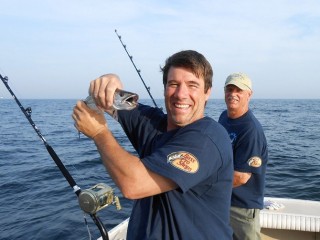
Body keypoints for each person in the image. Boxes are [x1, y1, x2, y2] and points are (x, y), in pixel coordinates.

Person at [72, 50, 234, 239]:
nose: (181, 94)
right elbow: (109, 102)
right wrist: (109, 82)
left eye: (192, 85)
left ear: (207, 92)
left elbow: (133, 184)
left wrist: (99, 133)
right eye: (174, 84)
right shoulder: (152, 122)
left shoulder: (208, 139)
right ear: (165, 88)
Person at [218, 72, 268, 240]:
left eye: (239, 90)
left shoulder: (250, 130)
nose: (233, 94)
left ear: (249, 94)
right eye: (229, 89)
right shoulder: (223, 117)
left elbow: (241, 177)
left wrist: (206, 187)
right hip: (224, 199)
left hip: (242, 207)